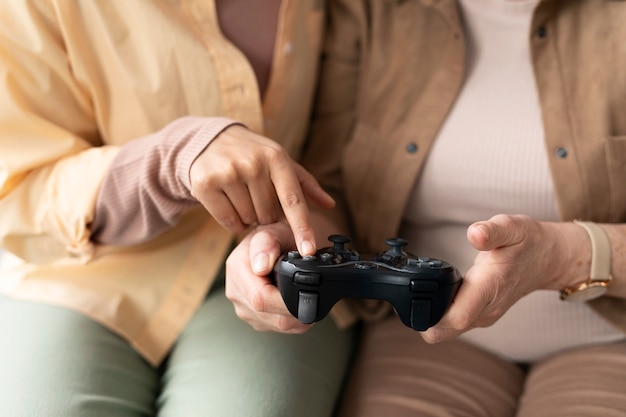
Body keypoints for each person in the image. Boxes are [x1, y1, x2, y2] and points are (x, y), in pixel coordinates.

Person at [226, 0, 626, 415]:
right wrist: (289, 241)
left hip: (608, 335)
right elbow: (333, 191)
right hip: (422, 333)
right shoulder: (371, 10)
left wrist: (567, 256)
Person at [0, 1, 357, 416]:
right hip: (81, 274)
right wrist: (168, 160)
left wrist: (293, 235)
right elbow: (18, 190)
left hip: (274, 275)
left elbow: (346, 172)